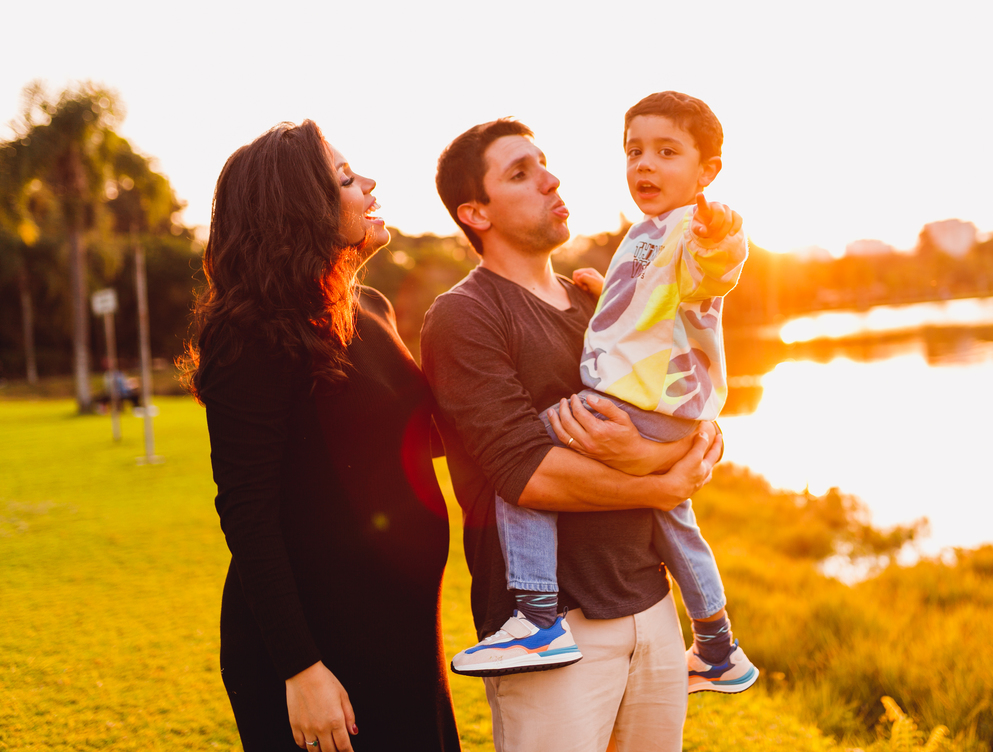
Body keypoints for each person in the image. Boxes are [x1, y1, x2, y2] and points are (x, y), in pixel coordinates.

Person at [421, 118, 724, 752]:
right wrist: (663, 480)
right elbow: (526, 474)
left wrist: (650, 455)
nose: (551, 179)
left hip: (651, 607)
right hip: (552, 627)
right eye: (520, 174)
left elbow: (690, 410)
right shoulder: (463, 315)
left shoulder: (599, 306)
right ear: (475, 212)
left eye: (544, 163)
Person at [181, 120, 459, 752]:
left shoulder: (372, 311)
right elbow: (246, 511)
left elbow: (412, 440)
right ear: (299, 207)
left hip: (405, 628)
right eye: (345, 178)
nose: (369, 185)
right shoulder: (250, 335)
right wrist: (300, 669)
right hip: (318, 647)